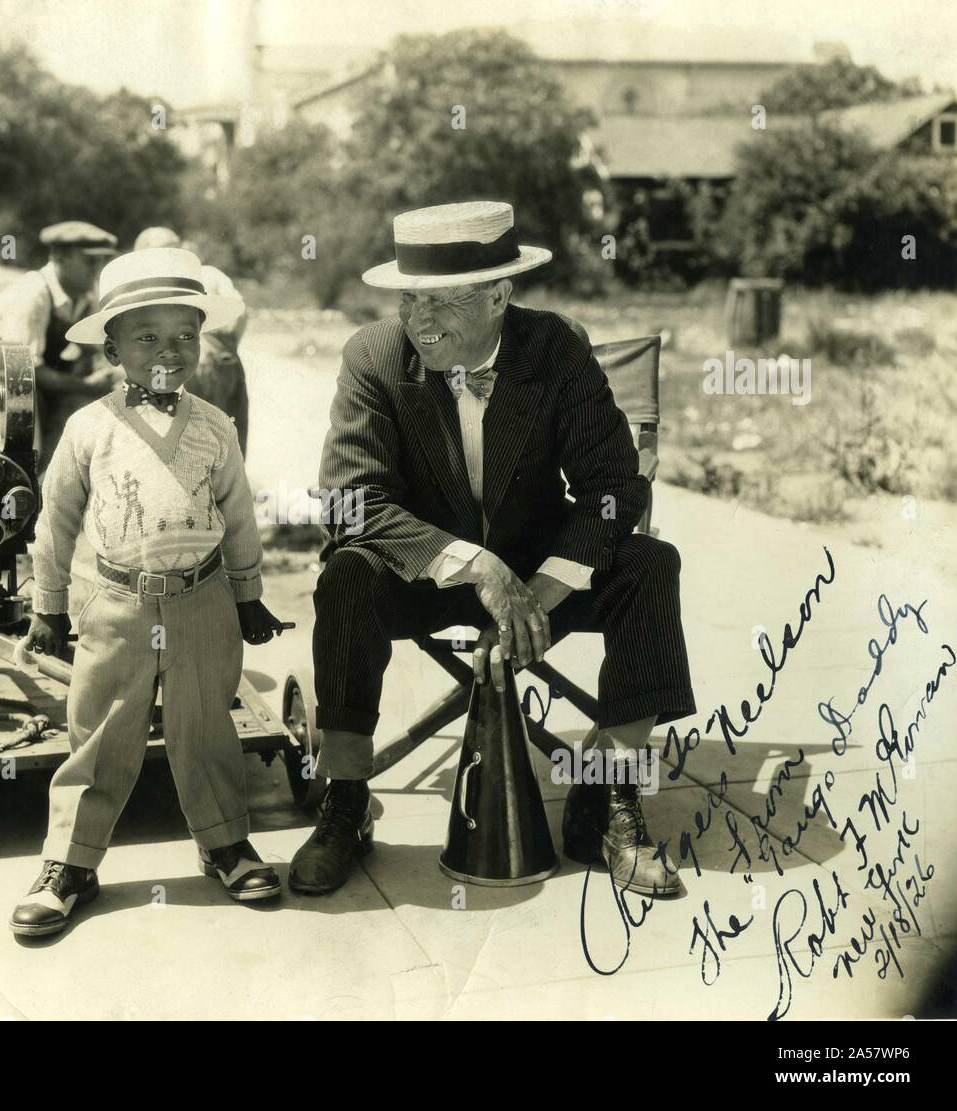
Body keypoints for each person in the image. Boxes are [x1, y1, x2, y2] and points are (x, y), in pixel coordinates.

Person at [291, 200, 696, 898]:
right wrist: (475, 564)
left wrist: (544, 586)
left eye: (442, 300)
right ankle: (346, 801)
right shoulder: (375, 356)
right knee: (345, 578)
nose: (420, 319)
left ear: (500, 296)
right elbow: (349, 502)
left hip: (541, 573)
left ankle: (610, 798)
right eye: (410, 299)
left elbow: (613, 488)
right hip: (426, 572)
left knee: (650, 567)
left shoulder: (557, 347)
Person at [10, 247, 289, 938]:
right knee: (100, 732)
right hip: (116, 605)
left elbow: (241, 517)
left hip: (203, 600)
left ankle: (225, 842)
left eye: (185, 336)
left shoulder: (214, 428)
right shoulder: (89, 428)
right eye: (147, 337)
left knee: (206, 726)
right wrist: (47, 605)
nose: (170, 351)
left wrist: (248, 595)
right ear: (110, 347)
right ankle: (70, 862)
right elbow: (56, 523)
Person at [0, 221, 119, 471]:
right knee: (23, 425)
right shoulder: (33, 293)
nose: (96, 270)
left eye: (101, 262)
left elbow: (96, 348)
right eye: (90, 262)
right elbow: (22, 372)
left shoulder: (87, 295)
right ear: (60, 257)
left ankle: (63, 480)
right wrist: (86, 384)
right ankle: (22, 483)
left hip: (30, 373)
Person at [132, 226, 249, 455]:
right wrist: (227, 344)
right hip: (222, 359)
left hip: (186, 364)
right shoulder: (209, 272)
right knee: (224, 435)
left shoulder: (148, 282)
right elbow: (241, 312)